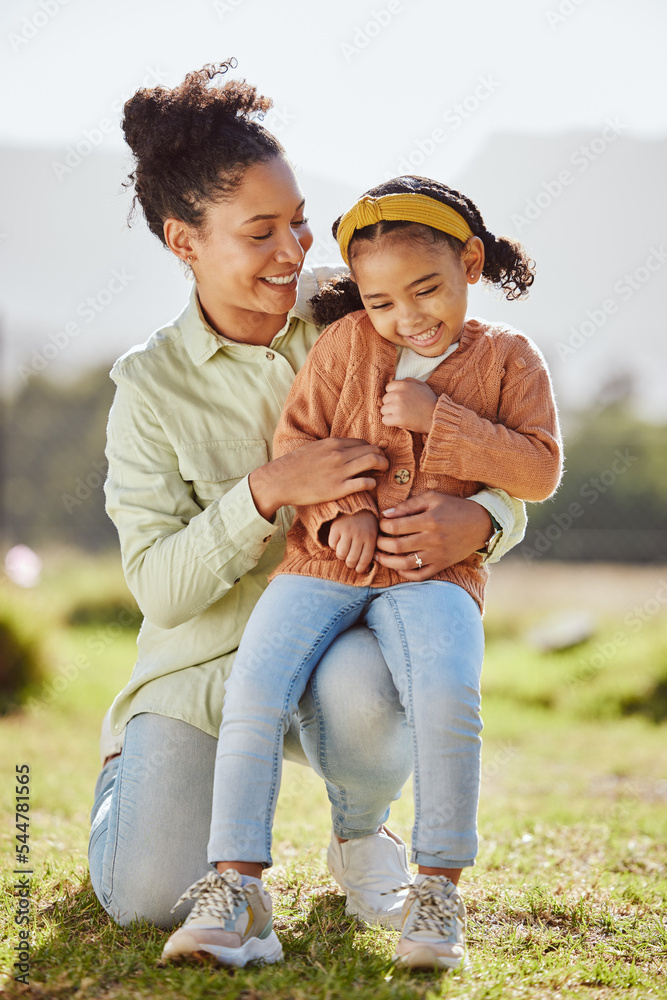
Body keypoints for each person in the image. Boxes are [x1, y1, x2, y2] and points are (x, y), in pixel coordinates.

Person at [89, 62, 527, 940]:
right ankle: (128, 779)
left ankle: (361, 831)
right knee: (145, 901)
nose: (293, 252)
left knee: (366, 694)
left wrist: (486, 520)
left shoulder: (365, 306)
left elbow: (486, 438)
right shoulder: (147, 387)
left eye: (296, 223)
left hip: (349, 641)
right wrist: (267, 491)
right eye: (261, 233)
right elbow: (163, 592)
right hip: (204, 672)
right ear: (186, 242)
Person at [161, 174, 562, 972]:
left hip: (431, 577)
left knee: (449, 696)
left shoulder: (510, 358)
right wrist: (332, 514)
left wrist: (439, 422)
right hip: (321, 565)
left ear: (470, 263)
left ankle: (437, 891)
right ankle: (234, 888)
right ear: (360, 300)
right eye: (381, 302)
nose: (407, 317)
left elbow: (539, 468)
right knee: (255, 689)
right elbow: (295, 445)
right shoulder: (345, 347)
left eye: (427, 291)